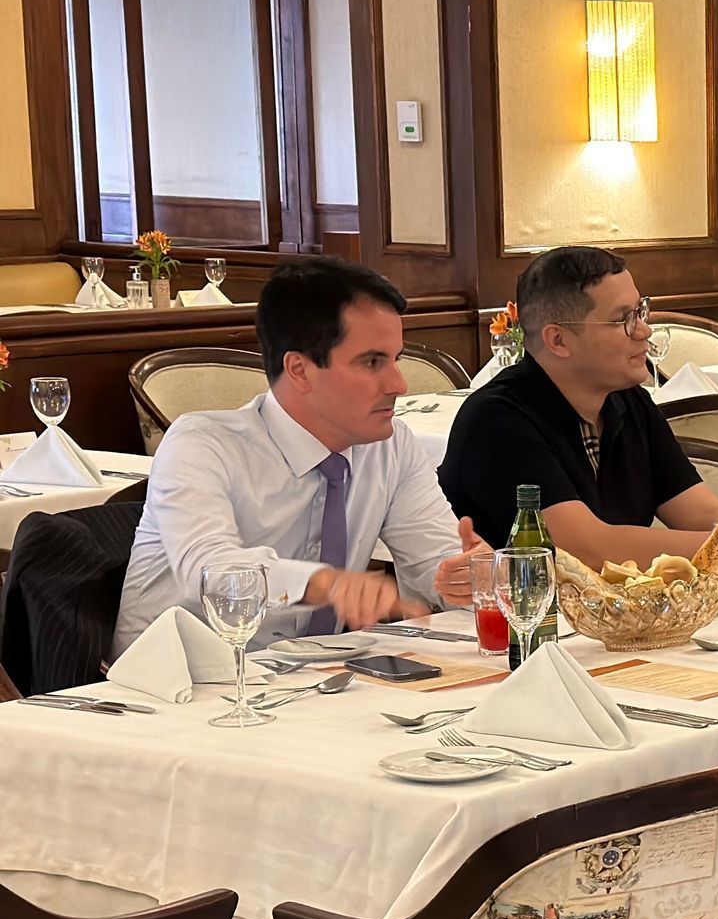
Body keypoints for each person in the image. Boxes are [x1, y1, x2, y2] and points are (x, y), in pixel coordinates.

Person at [115, 258, 476, 655]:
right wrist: (325, 584)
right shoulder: (201, 445)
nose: (399, 383)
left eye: (396, 359)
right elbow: (213, 574)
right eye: (372, 362)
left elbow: (438, 566)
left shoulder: (391, 446)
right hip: (178, 687)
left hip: (315, 682)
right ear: (300, 370)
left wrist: (470, 576)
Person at [439, 246, 718, 567]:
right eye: (623, 319)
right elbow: (586, 549)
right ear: (558, 340)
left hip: (613, 613)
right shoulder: (497, 420)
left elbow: (703, 514)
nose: (644, 331)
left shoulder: (628, 400)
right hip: (515, 614)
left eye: (640, 311)